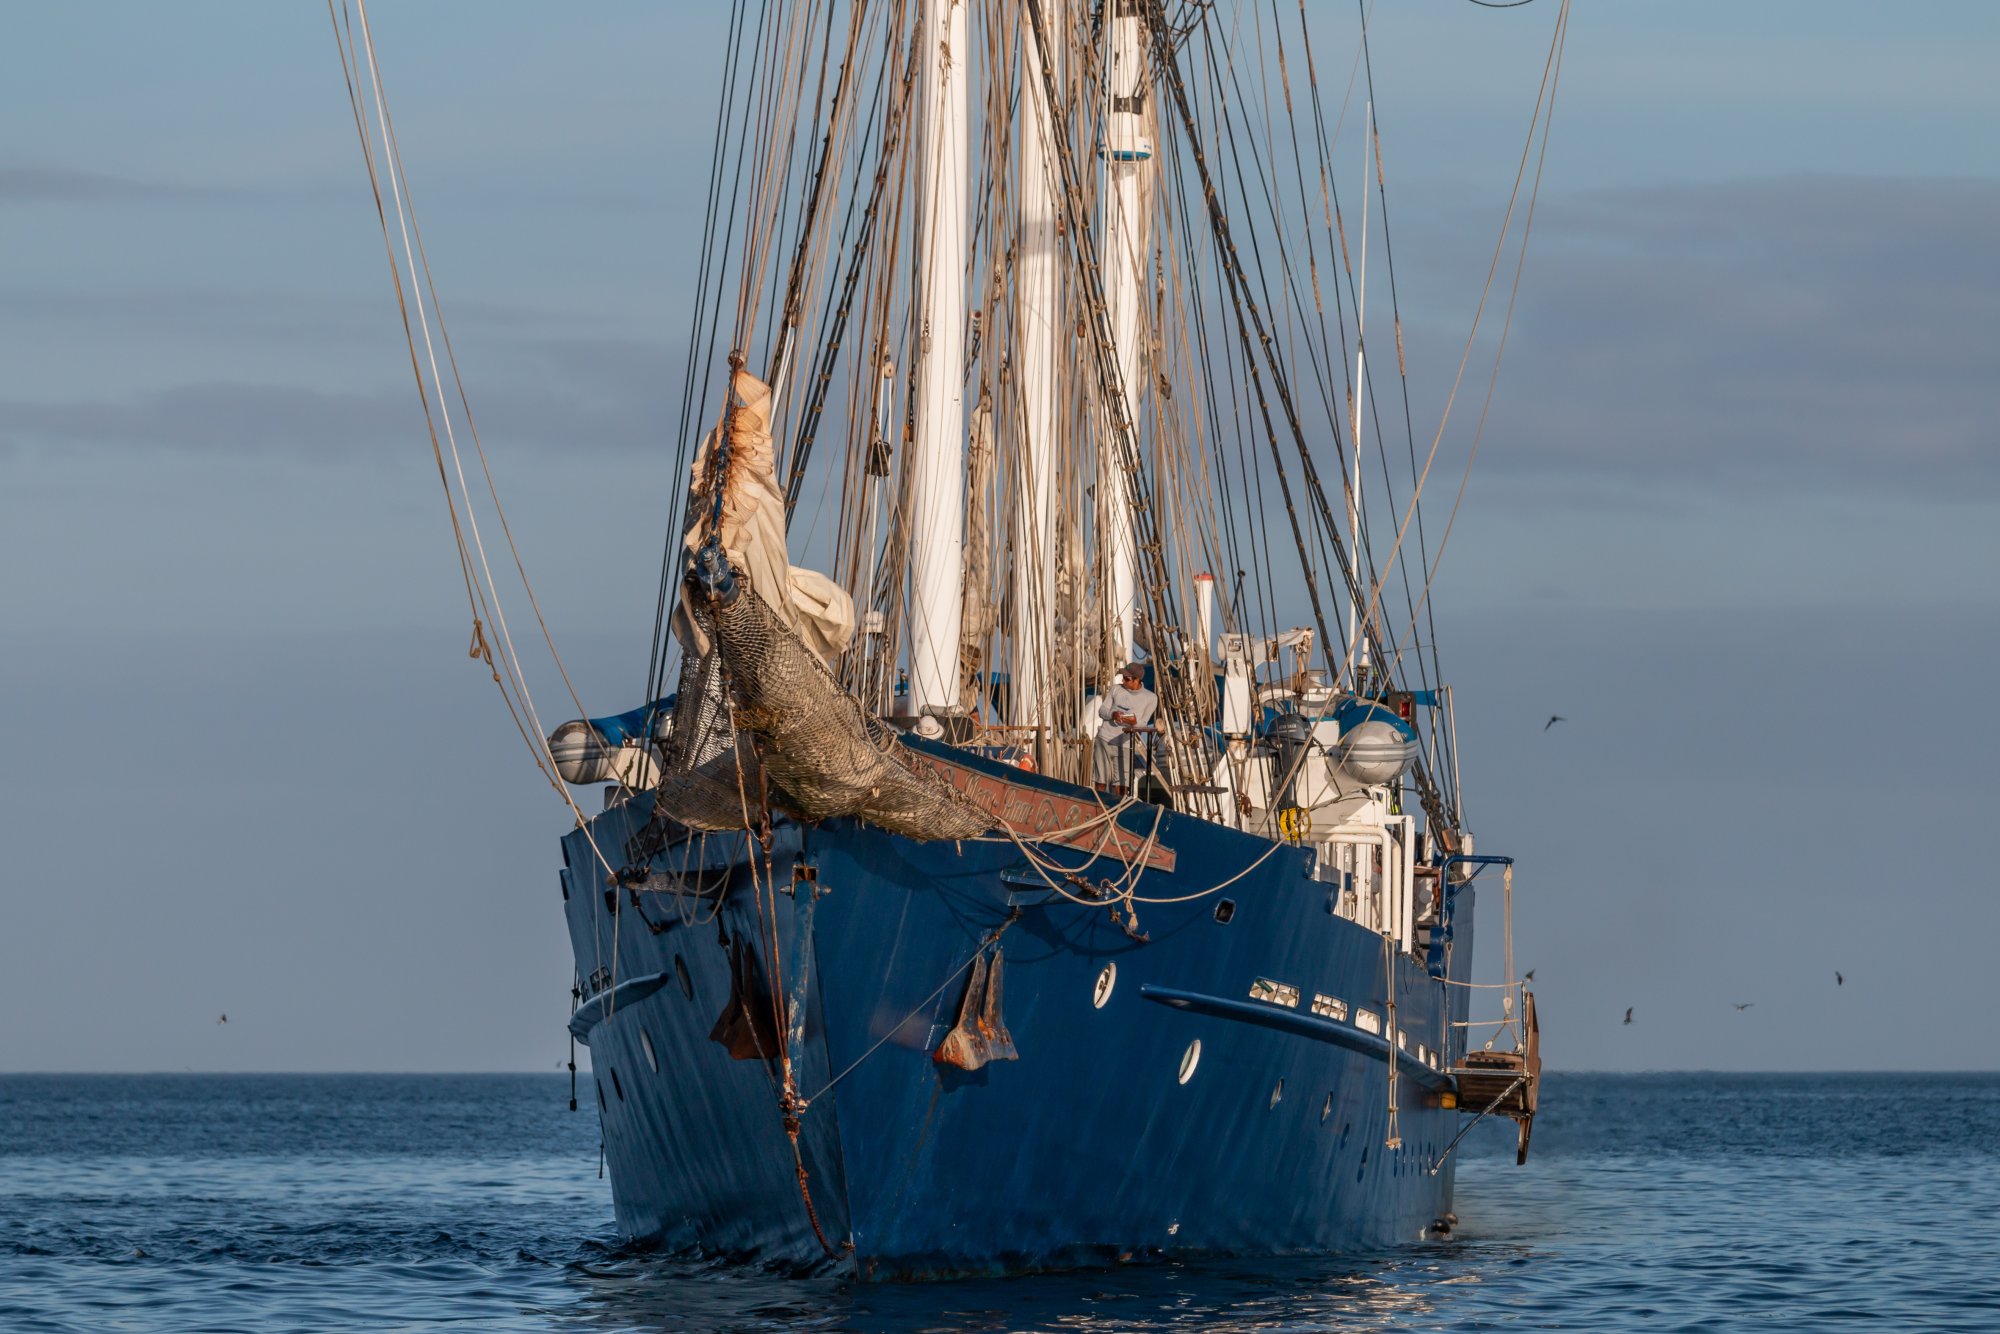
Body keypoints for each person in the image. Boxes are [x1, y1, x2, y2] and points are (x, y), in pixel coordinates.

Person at [1092, 662, 1158, 793]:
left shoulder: (1151, 698)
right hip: (1104, 739)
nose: (1123, 681)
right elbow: (1102, 711)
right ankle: (1098, 806)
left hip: (1126, 744)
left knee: (1122, 787)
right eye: (1123, 677)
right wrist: (1113, 714)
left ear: (1137, 680)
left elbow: (1143, 723)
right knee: (1100, 782)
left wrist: (1132, 722)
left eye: (1127, 679)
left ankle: (1119, 811)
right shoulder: (1115, 689)